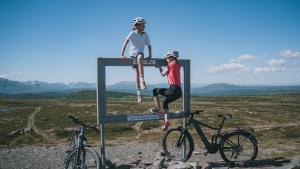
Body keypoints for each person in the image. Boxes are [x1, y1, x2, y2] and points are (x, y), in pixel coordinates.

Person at [121, 17, 152, 103]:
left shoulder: (145, 34)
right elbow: (125, 42)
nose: (144, 26)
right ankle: (139, 95)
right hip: (132, 54)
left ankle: (142, 80)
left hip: (140, 53)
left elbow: (149, 45)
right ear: (137, 25)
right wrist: (122, 54)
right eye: (143, 24)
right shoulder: (132, 33)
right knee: (136, 73)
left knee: (140, 57)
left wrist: (150, 55)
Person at [151, 50, 182, 132]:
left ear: (171, 57)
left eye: (167, 58)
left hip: (173, 89)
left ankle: (158, 110)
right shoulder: (178, 64)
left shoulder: (171, 64)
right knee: (165, 102)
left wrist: (159, 67)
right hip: (179, 91)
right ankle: (166, 121)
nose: (166, 60)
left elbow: (162, 74)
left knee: (155, 90)